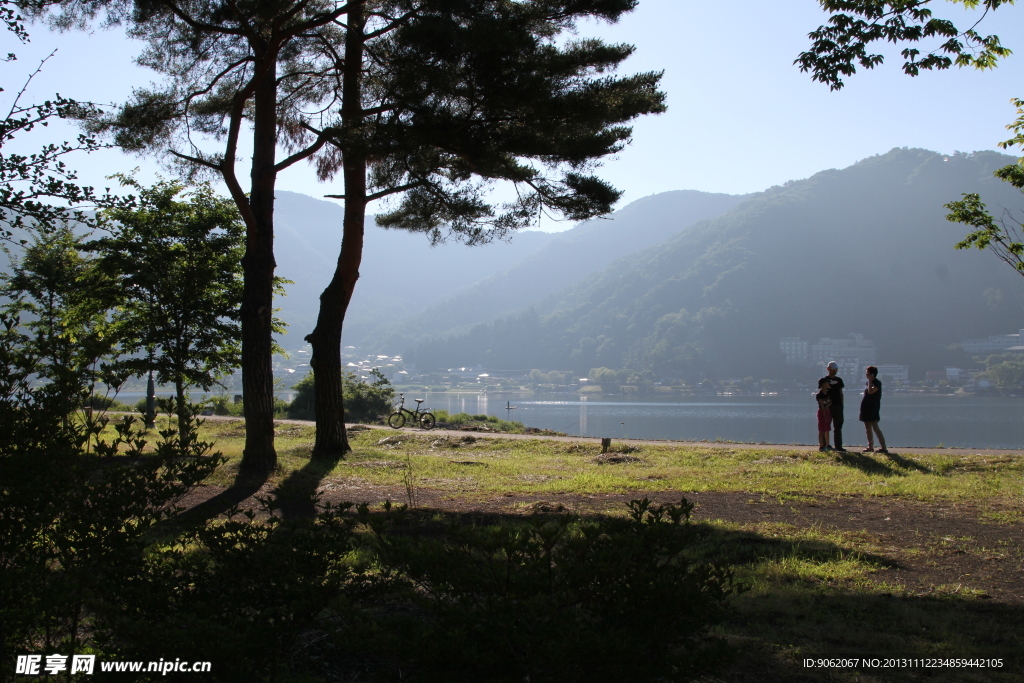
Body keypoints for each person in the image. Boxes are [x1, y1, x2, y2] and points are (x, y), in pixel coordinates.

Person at [859, 365, 888, 454]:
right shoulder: (867, 383)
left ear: (872, 374)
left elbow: (871, 392)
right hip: (865, 407)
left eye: (867, 373)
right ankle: (870, 446)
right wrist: (869, 382)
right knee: (867, 428)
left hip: (873, 407)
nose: (866, 374)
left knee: (875, 427)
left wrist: (870, 381)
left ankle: (883, 447)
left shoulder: (877, 383)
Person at [819, 361, 846, 452]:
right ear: (828, 369)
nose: (835, 371)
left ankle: (838, 446)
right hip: (828, 407)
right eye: (833, 369)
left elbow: (841, 393)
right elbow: (822, 393)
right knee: (825, 426)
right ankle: (824, 445)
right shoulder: (824, 380)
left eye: (836, 369)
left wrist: (842, 405)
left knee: (838, 427)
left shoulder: (839, 380)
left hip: (838, 406)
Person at [815, 377, 833, 451]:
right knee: (822, 430)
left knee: (827, 429)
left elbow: (830, 402)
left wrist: (827, 407)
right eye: (827, 383)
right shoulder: (819, 395)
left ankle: (828, 444)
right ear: (823, 384)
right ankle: (821, 446)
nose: (828, 384)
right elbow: (822, 406)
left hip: (827, 411)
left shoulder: (828, 392)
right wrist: (825, 416)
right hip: (822, 412)